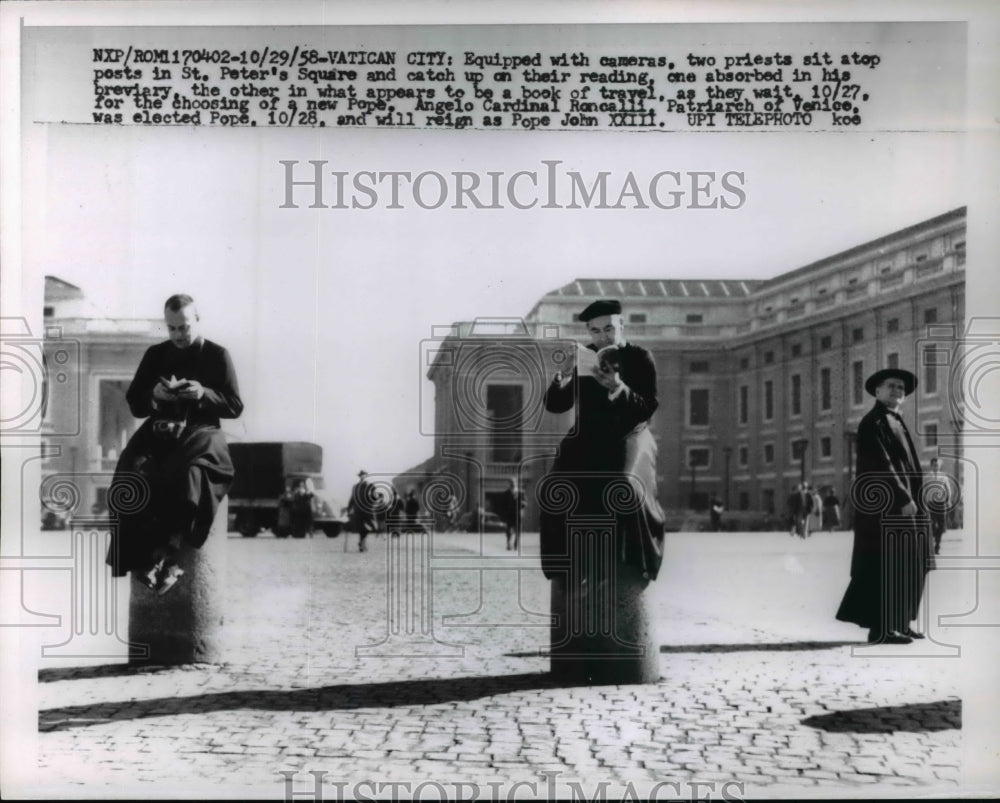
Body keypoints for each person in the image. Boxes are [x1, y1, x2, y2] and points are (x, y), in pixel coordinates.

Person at [106, 294, 243, 594]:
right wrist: (155, 395)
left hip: (203, 431)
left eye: (184, 327)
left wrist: (203, 394)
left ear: (197, 320)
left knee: (191, 472)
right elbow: (135, 404)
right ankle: (142, 559)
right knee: (131, 469)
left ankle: (170, 555)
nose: (179, 335)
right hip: (160, 429)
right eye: (172, 329)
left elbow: (234, 406)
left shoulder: (219, 355)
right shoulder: (155, 354)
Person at [540, 298, 666, 583]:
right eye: (595, 331)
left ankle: (635, 564)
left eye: (609, 329)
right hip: (588, 436)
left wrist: (618, 387)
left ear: (621, 325)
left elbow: (648, 406)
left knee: (624, 486)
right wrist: (563, 374)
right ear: (589, 332)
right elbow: (555, 404)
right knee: (554, 486)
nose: (602, 336)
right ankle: (568, 570)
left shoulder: (640, 357)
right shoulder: (587, 359)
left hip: (629, 433)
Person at [836, 368, 933, 644]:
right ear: (877, 391)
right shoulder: (873, 422)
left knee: (911, 563)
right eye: (891, 386)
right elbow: (881, 464)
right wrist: (902, 497)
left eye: (901, 388)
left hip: (906, 504)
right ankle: (881, 629)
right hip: (888, 507)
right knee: (886, 565)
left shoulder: (896, 420)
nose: (897, 391)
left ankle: (901, 622)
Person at [348, 470, 376, 552]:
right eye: (361, 475)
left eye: (363, 475)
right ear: (359, 477)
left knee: (369, 526)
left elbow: (374, 497)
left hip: (367, 509)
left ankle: (362, 542)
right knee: (361, 527)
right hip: (359, 510)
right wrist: (349, 508)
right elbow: (352, 498)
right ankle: (362, 543)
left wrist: (376, 498)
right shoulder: (355, 487)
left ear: (366, 476)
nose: (362, 477)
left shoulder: (370, 486)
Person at [926, 457, 949, 555]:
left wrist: (948, 501)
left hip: (941, 503)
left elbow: (948, 490)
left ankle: (937, 546)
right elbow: (924, 490)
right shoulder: (927, 477)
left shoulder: (944, 477)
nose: (936, 467)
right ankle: (934, 537)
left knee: (941, 525)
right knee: (932, 524)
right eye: (934, 465)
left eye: (938, 465)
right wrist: (924, 501)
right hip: (931, 503)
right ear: (931, 466)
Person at [499, 479, 526, 550]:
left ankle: (516, 543)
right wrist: (503, 515)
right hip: (509, 515)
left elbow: (525, 503)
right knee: (508, 529)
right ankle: (508, 543)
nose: (512, 484)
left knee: (518, 529)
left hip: (518, 514)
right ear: (509, 484)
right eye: (511, 483)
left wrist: (522, 504)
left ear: (516, 483)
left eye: (513, 483)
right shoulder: (506, 493)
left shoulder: (521, 493)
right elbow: (502, 505)